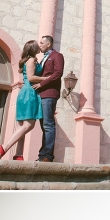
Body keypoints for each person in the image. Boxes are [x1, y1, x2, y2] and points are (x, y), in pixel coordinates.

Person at [0, 40, 45, 160]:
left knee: (22, 126)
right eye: (37, 45)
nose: (39, 46)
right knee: (29, 125)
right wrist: (46, 78)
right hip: (30, 93)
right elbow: (31, 77)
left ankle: (18, 154)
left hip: (24, 93)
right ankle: (4, 147)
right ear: (33, 48)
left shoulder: (28, 60)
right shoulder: (31, 60)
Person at [34, 34, 64, 163]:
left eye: (41, 43)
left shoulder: (57, 56)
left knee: (48, 125)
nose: (39, 45)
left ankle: (47, 156)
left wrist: (41, 83)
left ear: (48, 44)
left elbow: (58, 73)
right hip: (41, 94)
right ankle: (42, 154)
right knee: (44, 125)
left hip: (50, 93)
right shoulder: (44, 57)